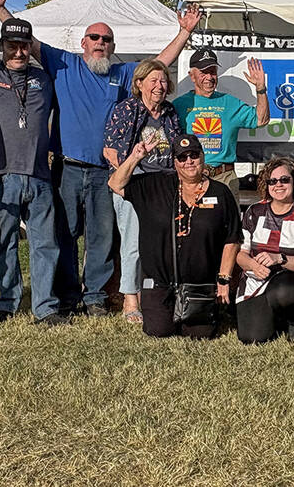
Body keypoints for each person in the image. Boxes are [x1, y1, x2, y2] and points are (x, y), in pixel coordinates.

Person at [0, 0, 200, 316]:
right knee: (64, 233)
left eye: (106, 39)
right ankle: (68, 296)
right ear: (83, 42)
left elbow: (158, 65)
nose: (100, 43)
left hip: (105, 172)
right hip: (67, 167)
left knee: (101, 237)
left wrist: (184, 33)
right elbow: (25, 42)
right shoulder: (63, 63)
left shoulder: (124, 73)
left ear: (113, 45)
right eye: (95, 37)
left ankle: (95, 298)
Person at [0, 18, 64, 327]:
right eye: (12, 46)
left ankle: (45, 307)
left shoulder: (45, 78)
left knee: (45, 243)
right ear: (1, 47)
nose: (19, 52)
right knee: (4, 241)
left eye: (24, 46)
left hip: (38, 174)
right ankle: (7, 303)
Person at [108, 134, 240, 339]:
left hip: (199, 286)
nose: (189, 161)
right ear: (174, 161)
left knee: (199, 334)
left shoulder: (220, 193)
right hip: (159, 283)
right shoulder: (154, 185)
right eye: (182, 157)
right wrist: (135, 157)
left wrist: (223, 280)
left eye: (194, 155)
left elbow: (232, 239)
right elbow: (115, 184)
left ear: (202, 157)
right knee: (159, 331)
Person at [103, 59, 182, 324]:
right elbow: (111, 150)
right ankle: (130, 299)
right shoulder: (127, 109)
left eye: (163, 81)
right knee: (133, 242)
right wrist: (128, 175)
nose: (160, 86)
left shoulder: (170, 112)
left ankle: (157, 293)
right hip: (133, 181)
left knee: (162, 241)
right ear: (139, 84)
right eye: (153, 81)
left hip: (164, 183)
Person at [234, 158, 294, 344]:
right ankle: (275, 318)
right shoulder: (254, 211)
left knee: (285, 291)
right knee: (252, 338)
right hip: (256, 281)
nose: (278, 185)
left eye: (284, 180)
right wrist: (253, 266)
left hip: (290, 280)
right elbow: (241, 254)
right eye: (272, 181)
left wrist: (279, 258)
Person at [172, 49, 269, 200]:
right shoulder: (179, 105)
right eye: (204, 72)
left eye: (213, 72)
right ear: (192, 75)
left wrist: (260, 89)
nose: (209, 77)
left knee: (229, 222)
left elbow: (261, 120)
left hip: (224, 177)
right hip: (191, 178)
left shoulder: (229, 102)